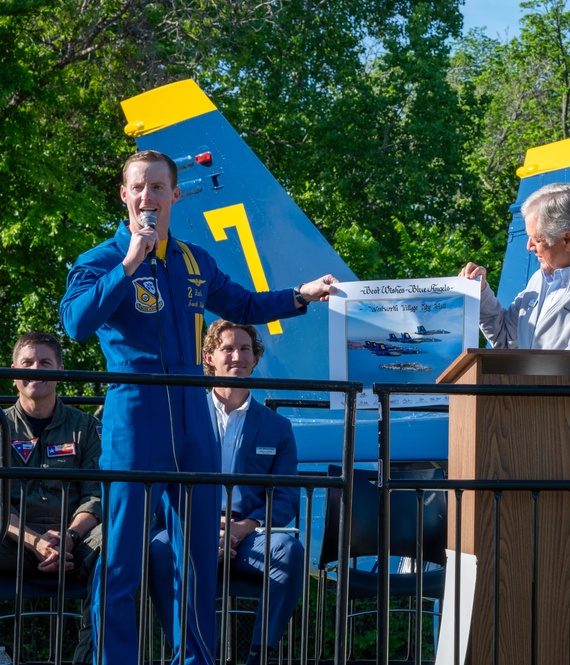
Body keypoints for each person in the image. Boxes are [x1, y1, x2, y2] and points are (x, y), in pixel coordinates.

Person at [59, 150, 338, 665]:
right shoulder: (99, 259)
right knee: (123, 556)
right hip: (135, 411)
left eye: (158, 188)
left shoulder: (194, 260)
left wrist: (301, 295)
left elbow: (245, 305)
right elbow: (75, 324)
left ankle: (196, 660)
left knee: (195, 559)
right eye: (138, 187)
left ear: (175, 194)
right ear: (124, 195)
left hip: (193, 416)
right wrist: (129, 263)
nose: (148, 197)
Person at [149, 320, 304, 665]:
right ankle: (188, 653)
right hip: (187, 528)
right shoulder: (182, 416)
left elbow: (287, 497)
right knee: (157, 550)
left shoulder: (277, 427)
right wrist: (199, 528)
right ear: (209, 358)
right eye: (228, 349)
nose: (238, 356)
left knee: (289, 552)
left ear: (256, 358)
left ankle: (258, 655)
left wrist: (243, 527)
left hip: (247, 535)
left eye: (245, 349)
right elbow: (162, 484)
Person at [1, 332, 102, 665]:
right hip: (13, 539)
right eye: (28, 363)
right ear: (14, 372)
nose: (37, 370)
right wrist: (35, 541)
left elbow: (95, 495)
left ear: (60, 368)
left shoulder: (85, 426)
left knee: (121, 545)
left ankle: (89, 659)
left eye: (45, 362)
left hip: (78, 540)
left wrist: (70, 537)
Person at [458, 182, 570, 350]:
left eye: (537, 239)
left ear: (567, 239)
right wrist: (480, 293)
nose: (529, 246)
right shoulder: (540, 279)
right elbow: (506, 339)